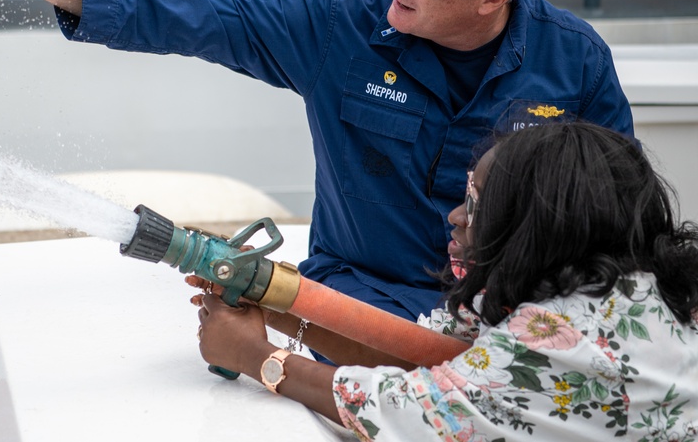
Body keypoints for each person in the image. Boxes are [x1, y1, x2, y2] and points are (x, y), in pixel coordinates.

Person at [0, 0, 634, 322]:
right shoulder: (338, 23)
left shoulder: (576, 63)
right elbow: (204, 12)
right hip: (358, 300)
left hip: (515, 318)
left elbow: (615, 218)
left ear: (493, 0)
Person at [193, 122, 698, 441]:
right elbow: (439, 355)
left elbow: (419, 410)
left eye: (479, 206)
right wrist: (274, 302)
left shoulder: (567, 337)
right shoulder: (630, 291)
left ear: (537, 227)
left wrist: (255, 357)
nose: (456, 217)